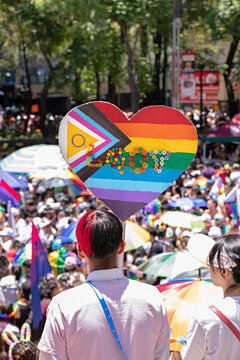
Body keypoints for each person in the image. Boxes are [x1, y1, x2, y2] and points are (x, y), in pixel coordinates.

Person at [38, 210, 171, 360]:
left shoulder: (62, 306)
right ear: (121, 247)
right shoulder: (152, 298)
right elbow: (162, 356)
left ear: (80, 251)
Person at [172, 234, 240, 360]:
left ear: (224, 272)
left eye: (211, 265)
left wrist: (176, 356)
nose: (209, 268)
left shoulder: (206, 316)